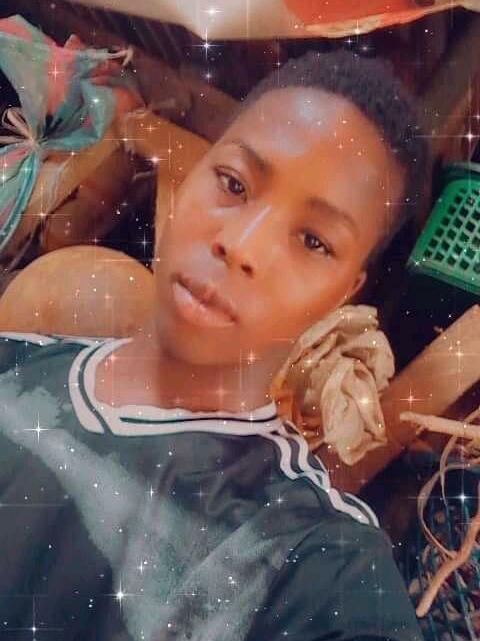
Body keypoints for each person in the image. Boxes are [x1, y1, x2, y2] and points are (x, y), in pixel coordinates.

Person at [0, 50, 428, 641]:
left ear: (344, 294)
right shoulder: (13, 362)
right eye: (233, 183)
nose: (242, 245)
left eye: (313, 240)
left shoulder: (306, 556)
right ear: (194, 173)